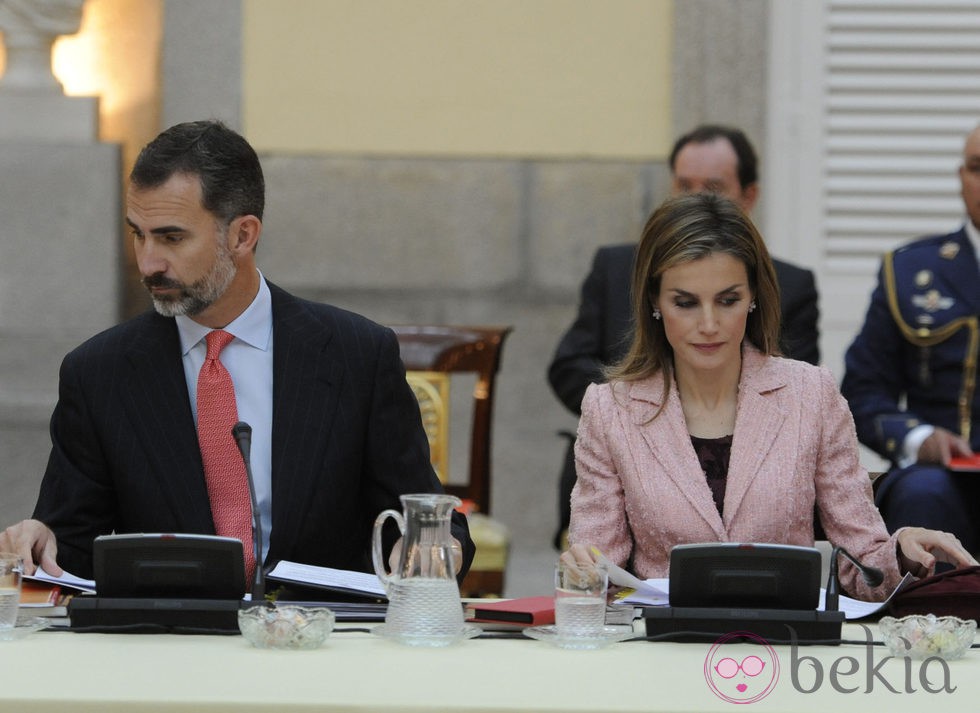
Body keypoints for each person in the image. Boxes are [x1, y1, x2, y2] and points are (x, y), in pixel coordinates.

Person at [0, 120, 475, 583]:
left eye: (171, 237)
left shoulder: (355, 355)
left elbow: (428, 518)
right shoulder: (99, 372)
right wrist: (42, 540)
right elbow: (71, 544)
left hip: (321, 643)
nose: (148, 263)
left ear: (243, 236)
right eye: (137, 234)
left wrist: (433, 547)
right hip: (170, 645)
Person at [564, 193, 975, 600]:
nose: (709, 324)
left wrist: (900, 551)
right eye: (685, 303)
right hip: (660, 646)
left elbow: (862, 562)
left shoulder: (811, 395)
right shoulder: (608, 409)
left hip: (783, 644)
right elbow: (599, 572)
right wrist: (582, 575)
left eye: (728, 300)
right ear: (654, 301)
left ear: (754, 297)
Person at [547, 124, 820, 547]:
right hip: (625, 470)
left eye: (711, 187)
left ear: (748, 195)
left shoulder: (796, 315)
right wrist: (631, 418)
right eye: (683, 186)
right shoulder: (616, 268)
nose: (708, 324)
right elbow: (568, 365)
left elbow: (866, 554)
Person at [842, 124, 980, 554]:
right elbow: (862, 392)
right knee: (923, 493)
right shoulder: (909, 272)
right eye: (977, 168)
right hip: (943, 474)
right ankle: (930, 622)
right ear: (961, 178)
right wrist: (918, 438)